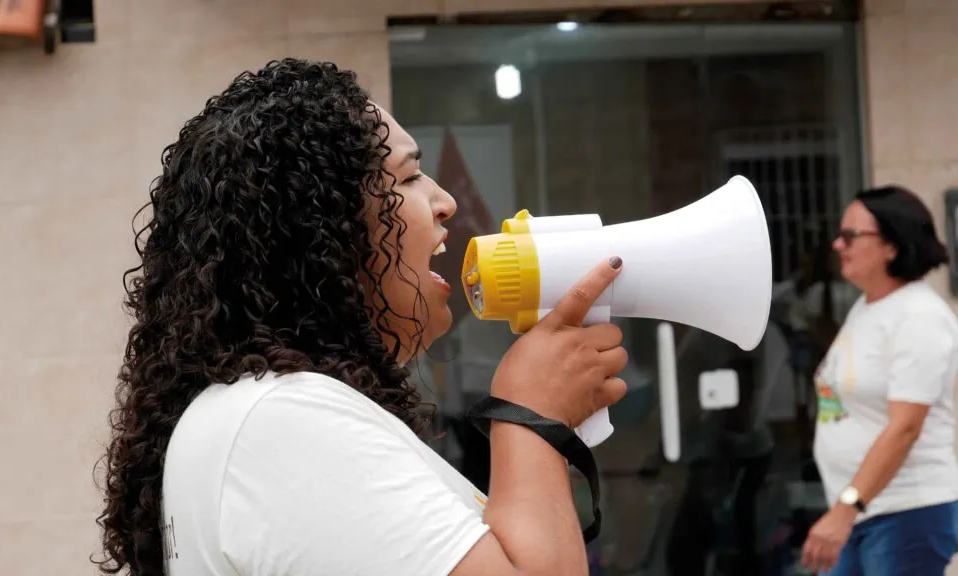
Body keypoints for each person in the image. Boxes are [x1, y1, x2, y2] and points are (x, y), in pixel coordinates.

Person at [92, 58, 629, 576]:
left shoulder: (263, 414)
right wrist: (532, 411)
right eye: (411, 176)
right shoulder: (282, 420)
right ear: (320, 230)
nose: (444, 202)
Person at [801, 185, 958, 575]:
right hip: (862, 513)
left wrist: (846, 509)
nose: (837, 244)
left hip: (904, 514)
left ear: (892, 246)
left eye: (851, 235)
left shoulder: (919, 316)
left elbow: (905, 427)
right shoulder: (867, 306)